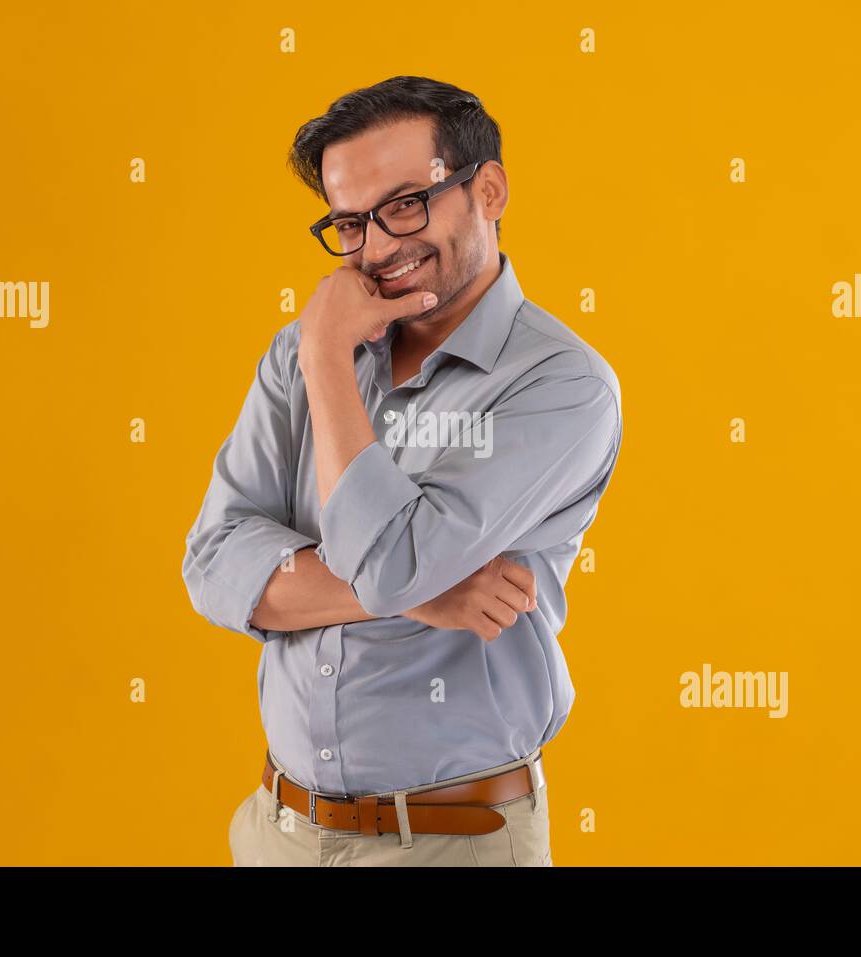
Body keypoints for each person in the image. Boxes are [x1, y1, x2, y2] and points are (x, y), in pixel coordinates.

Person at [182, 75, 622, 866]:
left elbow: (389, 565)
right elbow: (212, 562)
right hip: (277, 829)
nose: (378, 248)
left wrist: (324, 357)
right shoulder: (300, 352)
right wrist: (429, 594)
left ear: (487, 189)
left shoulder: (560, 385)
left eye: (405, 205)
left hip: (452, 840)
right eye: (350, 223)